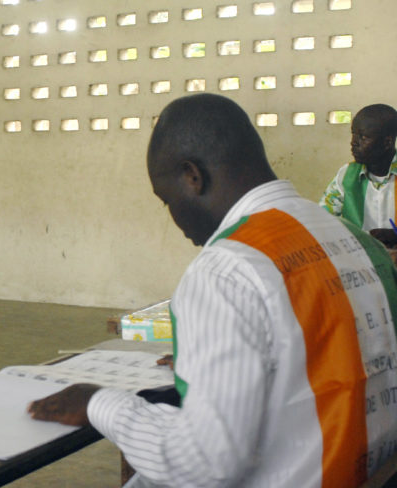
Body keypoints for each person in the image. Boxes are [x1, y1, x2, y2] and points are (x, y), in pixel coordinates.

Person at [29, 93, 397, 487]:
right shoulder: (354, 238)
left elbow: (202, 464)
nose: (174, 218)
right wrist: (221, 357)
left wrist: (96, 402)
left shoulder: (225, 271)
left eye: (166, 199)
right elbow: (328, 345)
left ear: (193, 176)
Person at [320, 104, 397, 246]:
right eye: (353, 134)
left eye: (363, 137)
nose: (353, 143)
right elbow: (323, 221)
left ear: (387, 142)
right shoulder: (347, 176)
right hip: (363, 262)